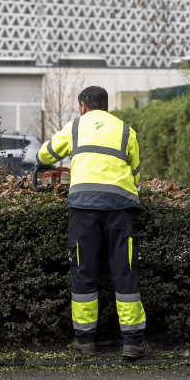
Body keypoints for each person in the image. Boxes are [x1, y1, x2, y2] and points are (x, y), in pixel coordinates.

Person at [36, 86, 150, 359]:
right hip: (119, 208)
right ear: (106, 107)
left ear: (83, 106)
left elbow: (44, 156)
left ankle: (85, 341)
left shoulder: (75, 126)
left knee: (83, 270)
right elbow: (134, 171)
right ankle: (132, 342)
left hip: (82, 208)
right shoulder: (125, 130)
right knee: (125, 271)